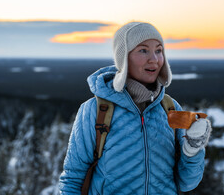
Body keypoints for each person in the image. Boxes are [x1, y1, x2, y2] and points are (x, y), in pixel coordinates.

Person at [59, 22, 211, 194]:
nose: (154, 59)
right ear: (124, 58)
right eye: (143, 50)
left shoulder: (170, 108)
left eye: (159, 50)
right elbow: (72, 179)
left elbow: (187, 183)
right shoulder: (95, 111)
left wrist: (193, 148)